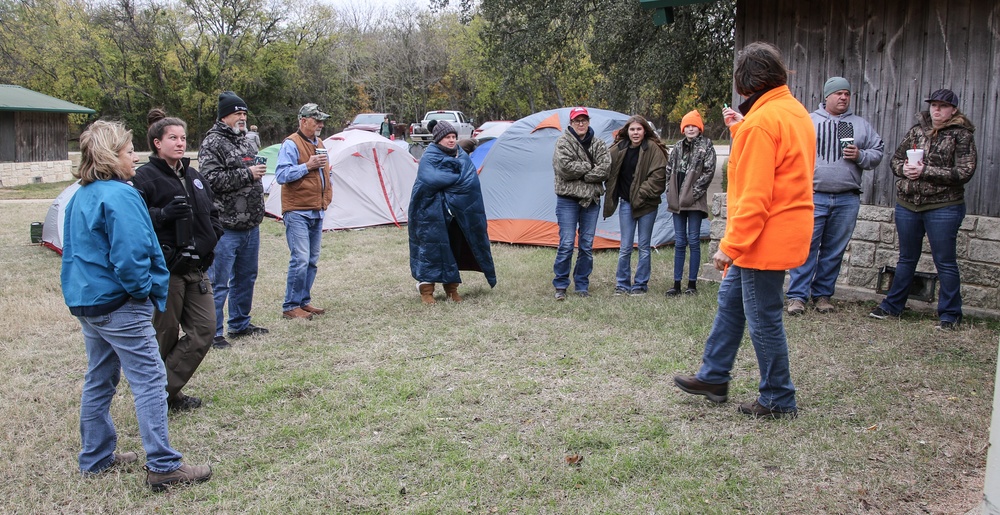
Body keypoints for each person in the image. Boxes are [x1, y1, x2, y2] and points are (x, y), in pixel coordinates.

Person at [62, 120, 211, 490]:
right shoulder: (121, 194)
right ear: (112, 156)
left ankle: (95, 457)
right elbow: (130, 256)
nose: (135, 157)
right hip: (119, 303)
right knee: (150, 379)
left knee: (100, 377)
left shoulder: (82, 193)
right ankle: (163, 466)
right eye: (130, 151)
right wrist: (143, 291)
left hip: (89, 303)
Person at [673, 42, 815, 419]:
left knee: (764, 317)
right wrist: (743, 134)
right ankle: (714, 375)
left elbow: (755, 195)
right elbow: (778, 170)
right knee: (731, 304)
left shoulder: (762, 123)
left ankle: (779, 398)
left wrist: (730, 245)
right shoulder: (794, 112)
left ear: (745, 83)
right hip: (785, 228)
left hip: (761, 239)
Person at [132, 109, 223, 412]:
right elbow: (134, 221)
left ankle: (160, 392)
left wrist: (213, 236)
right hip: (166, 271)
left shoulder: (194, 176)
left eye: (183, 138)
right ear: (157, 142)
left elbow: (212, 212)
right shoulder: (144, 178)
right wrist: (163, 217)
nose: (180, 143)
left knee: (205, 329)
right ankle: (164, 399)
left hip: (197, 269)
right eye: (173, 137)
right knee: (165, 335)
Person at [869, 89, 977, 330]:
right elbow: (895, 160)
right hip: (909, 204)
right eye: (933, 105)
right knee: (906, 258)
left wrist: (925, 171)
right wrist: (904, 169)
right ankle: (893, 305)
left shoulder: (962, 135)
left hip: (944, 206)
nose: (936, 110)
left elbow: (965, 172)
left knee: (945, 261)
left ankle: (950, 314)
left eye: (942, 106)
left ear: (953, 110)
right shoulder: (916, 131)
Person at [786, 77, 884, 315]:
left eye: (847, 94)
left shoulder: (859, 125)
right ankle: (797, 296)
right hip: (813, 195)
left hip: (846, 198)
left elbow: (878, 151)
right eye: (838, 93)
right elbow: (789, 150)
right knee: (806, 247)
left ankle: (822, 295)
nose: (843, 97)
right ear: (826, 96)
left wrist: (860, 155)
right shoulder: (807, 121)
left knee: (834, 250)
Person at [199, 91, 269, 349]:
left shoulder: (247, 141)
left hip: (250, 223)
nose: (242, 117)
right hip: (225, 225)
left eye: (244, 113)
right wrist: (247, 174)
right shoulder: (213, 143)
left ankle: (239, 323)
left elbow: (250, 171)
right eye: (237, 113)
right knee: (219, 282)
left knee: (246, 276)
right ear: (224, 116)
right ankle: (214, 332)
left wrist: (255, 175)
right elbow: (210, 180)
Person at [409, 120, 497, 303]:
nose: (451, 140)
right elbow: (430, 179)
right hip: (430, 212)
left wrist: (455, 182)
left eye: (454, 137)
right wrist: (457, 179)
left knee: (453, 247)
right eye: (447, 137)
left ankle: (451, 288)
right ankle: (426, 290)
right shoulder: (429, 156)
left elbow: (470, 180)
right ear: (438, 139)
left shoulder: (461, 156)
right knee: (431, 249)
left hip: (456, 213)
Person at [274, 103, 333, 320]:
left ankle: (303, 301)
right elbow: (281, 175)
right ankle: (290, 305)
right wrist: (307, 165)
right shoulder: (291, 144)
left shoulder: (319, 142)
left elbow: (325, 172)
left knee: (311, 260)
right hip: (297, 210)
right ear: (303, 121)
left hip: (317, 209)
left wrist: (327, 190)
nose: (320, 124)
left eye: (321, 120)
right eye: (316, 120)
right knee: (300, 258)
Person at [603, 115, 667, 296]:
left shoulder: (653, 149)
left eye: (639, 129)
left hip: (647, 205)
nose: (635, 133)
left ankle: (640, 284)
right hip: (626, 205)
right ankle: (622, 284)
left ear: (645, 130)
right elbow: (604, 164)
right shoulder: (619, 148)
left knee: (644, 246)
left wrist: (641, 194)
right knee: (625, 246)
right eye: (632, 129)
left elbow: (659, 176)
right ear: (627, 131)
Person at [552, 106, 611, 300]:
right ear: (571, 123)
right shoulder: (563, 143)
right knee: (567, 243)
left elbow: (605, 170)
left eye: (584, 120)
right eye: (577, 120)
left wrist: (582, 173)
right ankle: (560, 285)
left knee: (586, 245)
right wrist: (589, 167)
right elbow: (565, 169)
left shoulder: (598, 144)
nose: (581, 123)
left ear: (588, 122)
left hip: (591, 202)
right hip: (567, 200)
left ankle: (582, 284)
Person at [665, 110, 716, 296]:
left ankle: (691, 284)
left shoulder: (706, 145)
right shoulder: (677, 147)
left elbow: (709, 172)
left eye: (694, 125)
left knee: (694, 240)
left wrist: (693, 193)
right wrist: (669, 191)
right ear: (683, 128)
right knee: (679, 242)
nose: (691, 128)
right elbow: (668, 169)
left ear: (699, 128)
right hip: (677, 200)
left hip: (694, 201)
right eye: (687, 126)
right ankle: (676, 283)